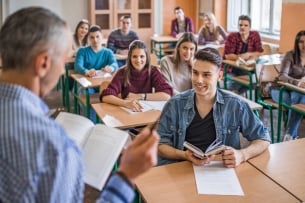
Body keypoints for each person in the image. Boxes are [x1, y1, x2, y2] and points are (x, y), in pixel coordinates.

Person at [0, 7, 159, 203]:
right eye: (65, 59)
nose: (62, 72)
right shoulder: (54, 147)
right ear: (43, 64)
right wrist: (126, 176)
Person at [157, 48, 270, 166]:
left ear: (219, 76)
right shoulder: (174, 104)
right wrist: (184, 155)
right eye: (195, 73)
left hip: (222, 170)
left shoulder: (235, 105)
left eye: (206, 75)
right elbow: (160, 145)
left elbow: (263, 137)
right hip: (182, 168)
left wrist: (242, 155)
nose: (199, 80)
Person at [100, 40, 173, 111]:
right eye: (134, 56)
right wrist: (125, 103)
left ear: (146, 57)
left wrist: (141, 96)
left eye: (142, 56)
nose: (138, 60)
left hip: (146, 112)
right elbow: (105, 96)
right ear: (130, 58)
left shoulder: (153, 71)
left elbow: (166, 95)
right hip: (128, 112)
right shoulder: (122, 72)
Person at [270, 30, 305, 141]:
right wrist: (298, 82)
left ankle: (288, 135)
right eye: (301, 42)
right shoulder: (290, 55)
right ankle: (290, 135)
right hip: (279, 90)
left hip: (297, 92)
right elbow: (282, 76)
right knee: (299, 101)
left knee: (298, 98)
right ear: (297, 43)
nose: (304, 45)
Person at [223, 15, 264, 94]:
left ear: (250, 27)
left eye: (246, 25)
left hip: (248, 69)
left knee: (258, 84)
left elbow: (261, 52)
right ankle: (236, 95)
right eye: (240, 25)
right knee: (234, 86)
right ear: (238, 26)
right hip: (232, 69)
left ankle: (238, 96)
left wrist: (248, 54)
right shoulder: (232, 36)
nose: (243, 27)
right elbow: (227, 55)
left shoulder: (255, 35)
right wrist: (239, 57)